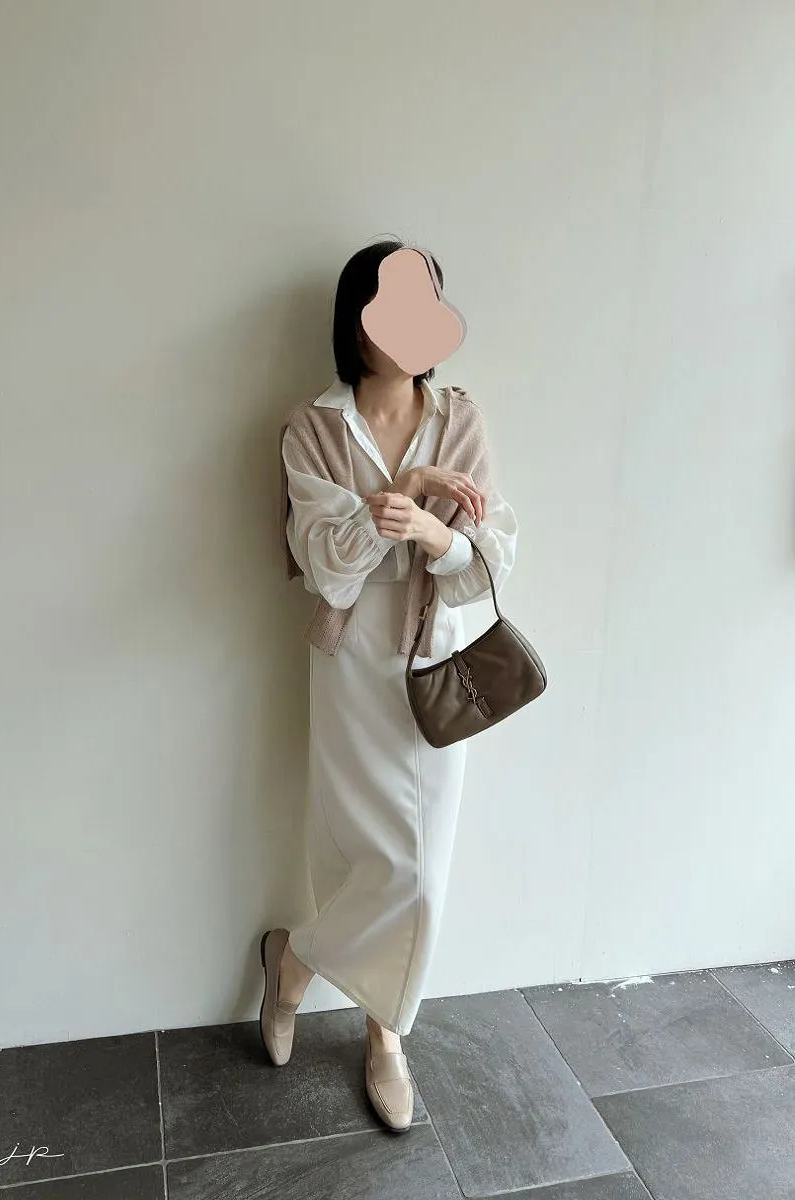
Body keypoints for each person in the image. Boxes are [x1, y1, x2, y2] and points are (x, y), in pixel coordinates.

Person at [260, 238, 518, 1132]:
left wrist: (436, 536)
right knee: (360, 856)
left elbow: (491, 557)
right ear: (356, 320)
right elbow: (321, 561)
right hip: (350, 662)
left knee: (420, 872)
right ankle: (366, 1015)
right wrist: (399, 496)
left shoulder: (461, 417)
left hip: (437, 657)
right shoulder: (312, 427)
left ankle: (323, 984)